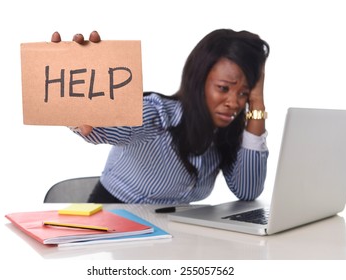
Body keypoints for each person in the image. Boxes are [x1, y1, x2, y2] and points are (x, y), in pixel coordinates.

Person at [51, 29, 270, 204]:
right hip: (115, 216)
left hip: (175, 233)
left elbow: (248, 190)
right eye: (223, 88)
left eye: (244, 93)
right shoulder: (158, 113)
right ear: (198, 80)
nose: (235, 103)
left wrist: (257, 103)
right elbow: (110, 127)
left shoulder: (226, 132)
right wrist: (79, 106)